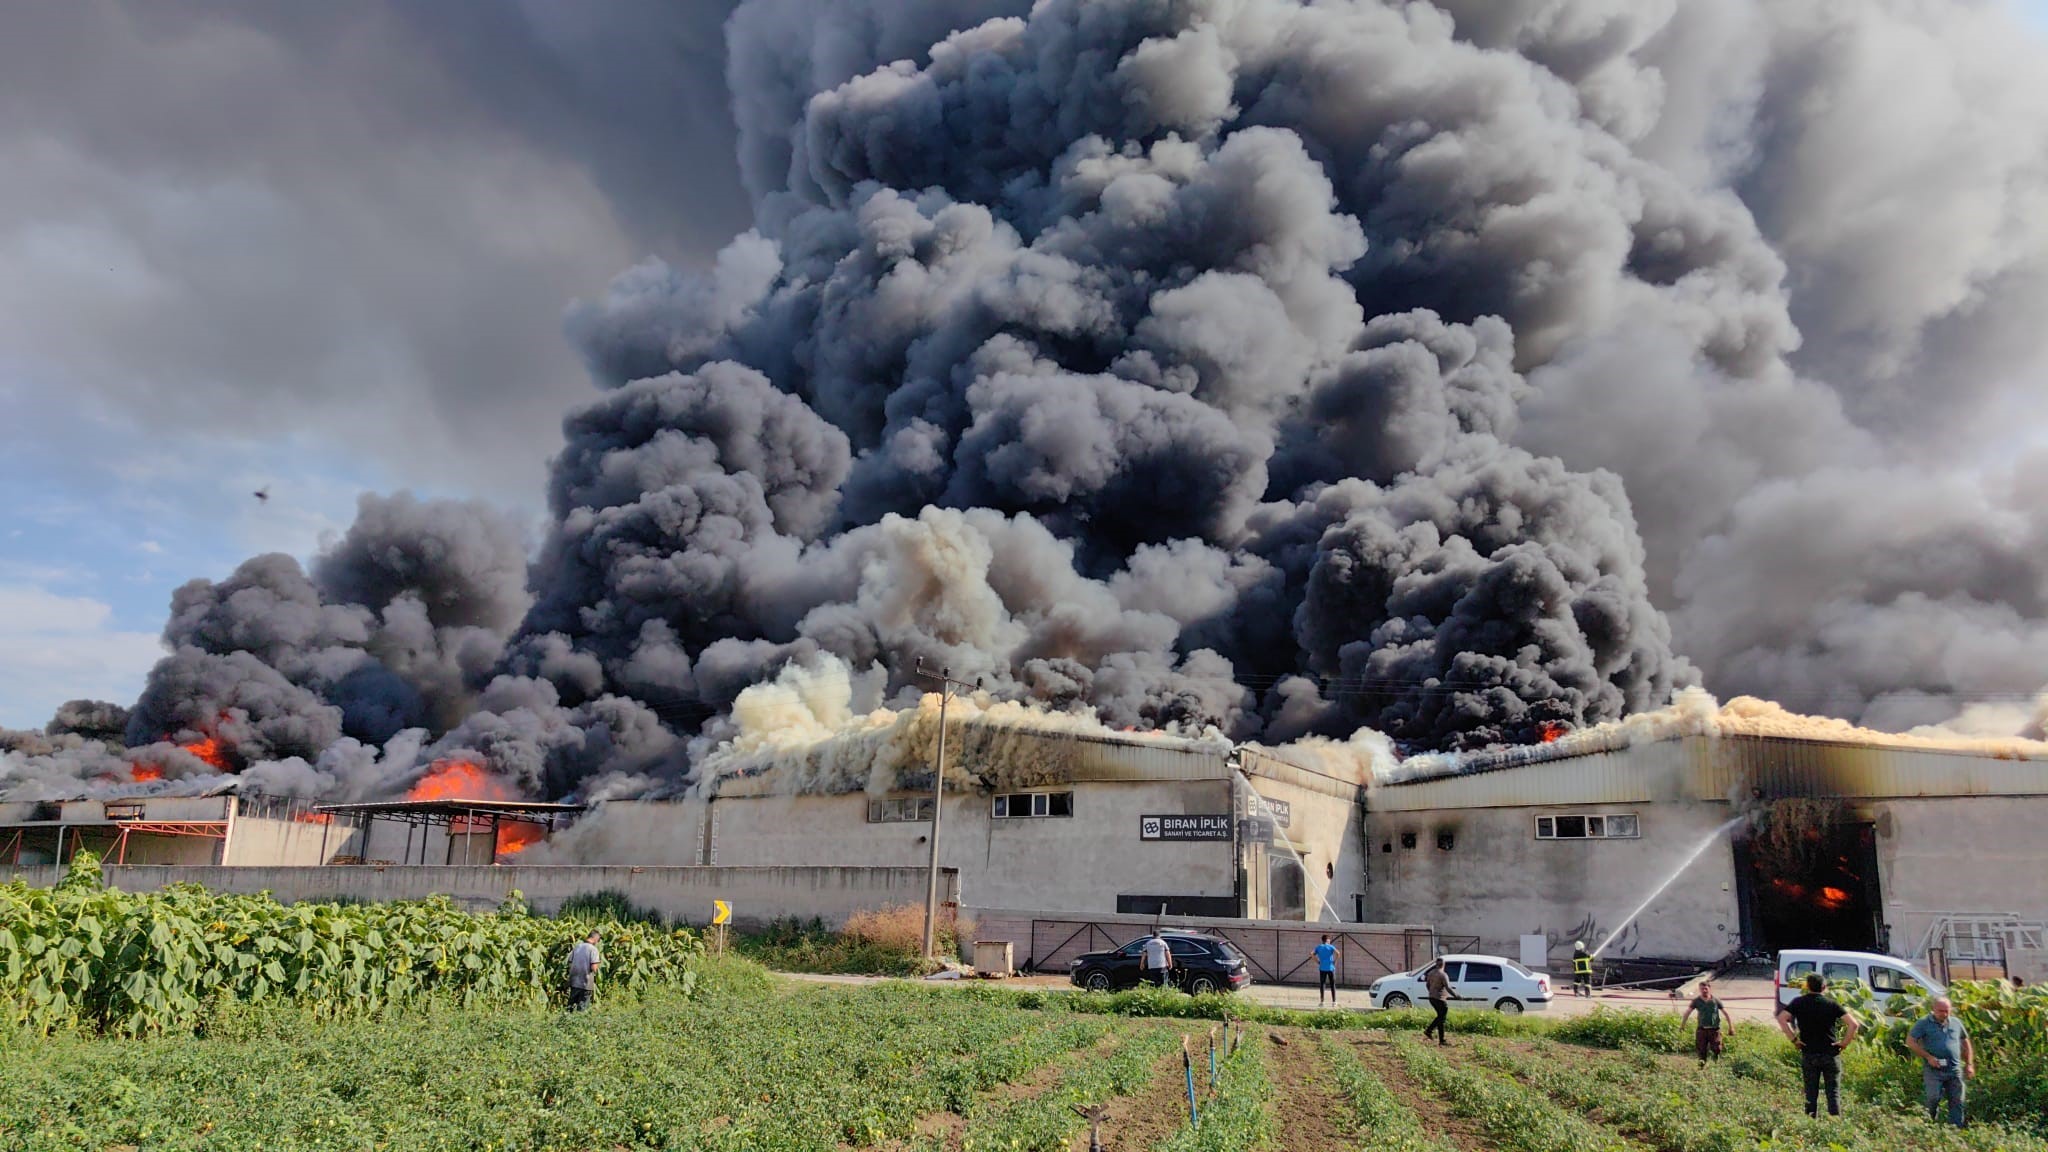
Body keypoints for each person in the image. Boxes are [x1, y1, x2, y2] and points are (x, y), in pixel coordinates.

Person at [1776, 973, 1860, 1117]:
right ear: (1824, 987)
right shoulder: (1831, 1004)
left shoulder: (1798, 1002)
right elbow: (1853, 1024)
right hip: (1830, 1053)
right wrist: (1844, 1043)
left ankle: (1810, 1123)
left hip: (1809, 1053)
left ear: (1807, 986)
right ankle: (1835, 1126)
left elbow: (1781, 1018)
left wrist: (1794, 1040)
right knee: (1833, 1093)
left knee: (1810, 1093)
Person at [1904, 996, 1974, 1127]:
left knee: (1957, 1100)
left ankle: (1956, 1129)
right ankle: (1929, 1124)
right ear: (1933, 1009)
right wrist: (1928, 1057)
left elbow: (1966, 1042)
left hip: (1954, 1069)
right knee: (1933, 1098)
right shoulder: (1923, 1023)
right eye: (1941, 1011)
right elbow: (1910, 1041)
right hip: (1934, 1070)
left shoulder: (1956, 1023)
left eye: (1947, 1011)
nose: (1944, 1014)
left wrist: (1969, 1064)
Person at [1681, 980, 1727, 1063]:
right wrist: (1682, 1025)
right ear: (1699, 990)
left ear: (1709, 989)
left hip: (1714, 1029)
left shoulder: (1716, 1000)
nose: (1704, 990)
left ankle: (1716, 1063)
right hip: (1702, 1030)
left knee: (1717, 1049)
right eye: (1702, 989)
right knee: (1701, 1050)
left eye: (1706, 988)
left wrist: (1731, 1027)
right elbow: (1687, 1013)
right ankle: (1701, 1067)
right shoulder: (1696, 1001)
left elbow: (1726, 1013)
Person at [1422, 957, 1456, 1045]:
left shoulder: (1431, 973)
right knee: (1441, 1017)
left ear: (1436, 964)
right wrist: (1456, 995)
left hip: (1432, 998)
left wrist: (1431, 992)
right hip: (1440, 999)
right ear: (1444, 965)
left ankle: (1442, 1040)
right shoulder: (1443, 975)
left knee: (1440, 1018)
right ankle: (1429, 1030)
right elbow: (1448, 987)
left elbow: (1427, 984)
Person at [566, 928, 602, 1011]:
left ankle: (566, 1022)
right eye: (598, 940)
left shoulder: (577, 947)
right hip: (585, 983)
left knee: (570, 1007)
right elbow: (594, 968)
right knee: (582, 1008)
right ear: (595, 939)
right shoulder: (593, 950)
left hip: (574, 981)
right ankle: (579, 1023)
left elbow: (570, 962)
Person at [1313, 934, 1340, 1007]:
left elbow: (1312, 954)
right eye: (1329, 939)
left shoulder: (1318, 947)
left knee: (1322, 984)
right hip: (1331, 968)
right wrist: (1335, 961)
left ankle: (1322, 1002)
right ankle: (1334, 1002)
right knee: (1332, 984)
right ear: (1327, 940)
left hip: (1322, 968)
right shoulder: (1331, 946)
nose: (1330, 941)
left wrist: (1317, 961)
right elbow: (1338, 953)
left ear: (1322, 940)